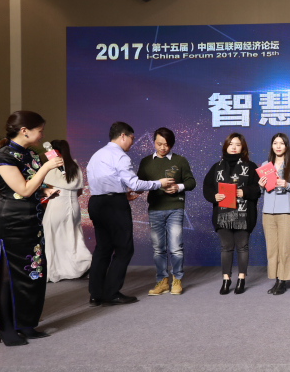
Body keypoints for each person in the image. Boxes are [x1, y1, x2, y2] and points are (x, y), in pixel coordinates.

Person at [86, 122, 174, 307]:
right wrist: (159, 183)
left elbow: (103, 181)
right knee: (124, 248)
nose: (132, 142)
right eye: (132, 138)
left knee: (102, 249)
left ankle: (95, 294)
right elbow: (134, 184)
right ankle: (111, 293)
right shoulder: (120, 156)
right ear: (123, 136)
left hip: (96, 203)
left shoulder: (97, 154)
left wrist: (120, 193)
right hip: (114, 206)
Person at [0, 111, 63, 346]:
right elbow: (23, 189)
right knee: (10, 276)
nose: (42, 134)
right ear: (24, 130)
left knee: (33, 273)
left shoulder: (31, 154)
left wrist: (45, 190)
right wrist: (46, 168)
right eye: (40, 130)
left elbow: (33, 186)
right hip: (12, 222)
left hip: (32, 221)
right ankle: (6, 328)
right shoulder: (4, 155)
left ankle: (26, 324)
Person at [137, 128, 196, 297]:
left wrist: (179, 187)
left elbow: (191, 182)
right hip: (155, 209)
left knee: (176, 247)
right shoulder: (146, 162)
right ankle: (162, 281)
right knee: (158, 249)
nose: (163, 148)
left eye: (167, 145)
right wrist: (134, 192)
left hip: (175, 208)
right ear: (154, 142)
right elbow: (139, 184)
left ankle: (177, 279)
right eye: (159, 144)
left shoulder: (180, 160)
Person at [202, 133, 261, 295]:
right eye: (231, 144)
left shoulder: (251, 166)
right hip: (222, 214)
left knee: (242, 247)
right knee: (226, 247)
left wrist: (245, 192)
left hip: (243, 214)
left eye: (238, 144)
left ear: (243, 148)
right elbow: (207, 187)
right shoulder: (216, 167)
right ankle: (226, 279)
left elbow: (258, 189)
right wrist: (214, 196)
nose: (234, 147)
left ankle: (241, 278)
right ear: (226, 146)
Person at [259, 133, 290, 296]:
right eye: (275, 143)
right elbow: (261, 191)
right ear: (271, 146)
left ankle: (283, 281)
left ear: (286, 146)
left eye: (281, 143)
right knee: (272, 249)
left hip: (285, 212)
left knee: (284, 248)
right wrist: (260, 185)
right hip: (268, 212)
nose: (278, 146)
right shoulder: (265, 165)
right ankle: (276, 279)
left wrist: (287, 184)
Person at [42, 139, 92, 283]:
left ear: (54, 151)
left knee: (52, 238)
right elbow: (79, 191)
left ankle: (54, 271)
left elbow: (45, 187)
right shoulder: (75, 166)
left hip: (57, 205)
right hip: (74, 207)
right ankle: (77, 268)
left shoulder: (52, 167)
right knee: (73, 238)